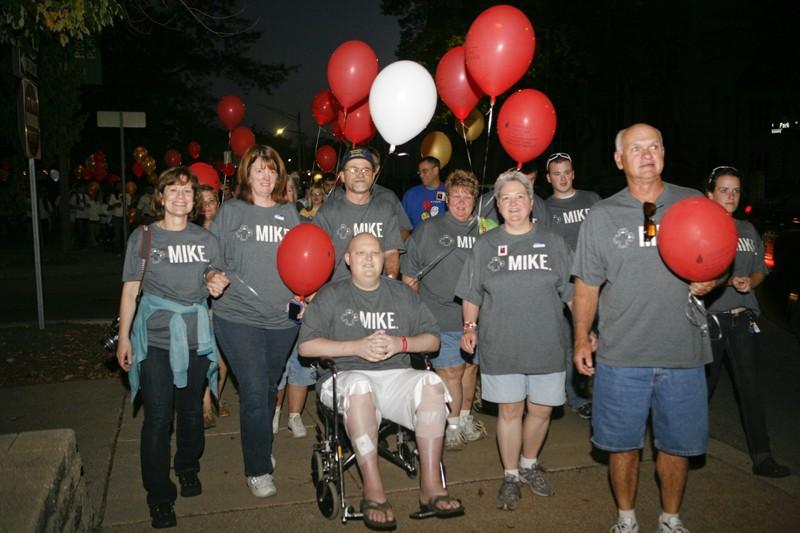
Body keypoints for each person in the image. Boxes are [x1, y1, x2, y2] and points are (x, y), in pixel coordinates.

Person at [572, 123, 720, 533]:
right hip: (622, 354)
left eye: (654, 145)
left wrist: (713, 279)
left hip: (683, 351)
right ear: (620, 160)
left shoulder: (693, 204)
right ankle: (626, 518)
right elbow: (586, 283)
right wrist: (581, 336)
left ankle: (671, 518)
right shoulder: (602, 216)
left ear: (664, 154)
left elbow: (719, 257)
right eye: (636, 148)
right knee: (622, 447)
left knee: (677, 447)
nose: (647, 153)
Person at [299, 233, 464, 530]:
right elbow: (306, 347)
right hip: (345, 376)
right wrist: (356, 347)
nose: (368, 259)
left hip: (394, 374)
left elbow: (433, 340)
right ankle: (373, 489)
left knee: (431, 384)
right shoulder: (331, 295)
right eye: (360, 253)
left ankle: (431, 486)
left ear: (383, 258)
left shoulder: (402, 294)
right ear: (348, 259)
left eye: (374, 253)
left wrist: (400, 343)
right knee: (360, 385)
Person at [115, 167, 229, 529]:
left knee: (192, 411)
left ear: (195, 201)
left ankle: (188, 466)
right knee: (158, 418)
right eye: (173, 190)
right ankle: (159, 495)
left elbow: (215, 274)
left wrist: (214, 279)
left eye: (188, 191)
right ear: (160, 197)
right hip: (156, 340)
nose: (181, 197)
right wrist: (124, 337)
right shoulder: (144, 237)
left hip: (195, 338)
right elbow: (131, 290)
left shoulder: (206, 239)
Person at [456, 170, 574, 512]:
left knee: (540, 409)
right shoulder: (486, 245)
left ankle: (529, 463)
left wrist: (585, 331)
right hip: (501, 344)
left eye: (519, 197)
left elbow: (572, 295)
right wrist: (469, 326)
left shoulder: (553, 243)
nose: (513, 204)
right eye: (505, 198)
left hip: (547, 344)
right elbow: (471, 292)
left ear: (531, 202)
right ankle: (510, 475)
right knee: (510, 410)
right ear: (498, 206)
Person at [209, 145, 302, 498]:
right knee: (252, 391)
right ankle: (258, 469)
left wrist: (302, 296)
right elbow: (209, 257)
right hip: (237, 315)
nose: (265, 176)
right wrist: (209, 276)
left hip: (282, 319)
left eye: (271, 170)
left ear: (279, 176)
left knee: (267, 388)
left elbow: (302, 263)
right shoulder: (231, 212)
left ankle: (260, 445)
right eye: (258, 170)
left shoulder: (289, 212)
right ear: (247, 174)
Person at [704, 166, 790, 478]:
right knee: (702, 390)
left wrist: (748, 283)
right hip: (710, 321)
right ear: (710, 193)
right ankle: (685, 450)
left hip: (742, 320)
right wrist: (721, 281)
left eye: (736, 191)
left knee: (750, 390)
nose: (730, 196)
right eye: (724, 189)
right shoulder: (699, 228)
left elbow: (759, 270)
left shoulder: (747, 229)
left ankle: (762, 458)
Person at [401, 169, 486, 450]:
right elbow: (410, 273)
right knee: (451, 370)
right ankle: (450, 425)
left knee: (470, 369)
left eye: (468, 197)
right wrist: (415, 313)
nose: (462, 202)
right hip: (441, 313)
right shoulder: (429, 229)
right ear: (446, 199)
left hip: (478, 315)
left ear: (475, 201)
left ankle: (463, 418)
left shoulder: (484, 229)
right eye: (456, 196)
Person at [544, 152, 602, 420]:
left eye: (567, 172)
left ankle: (606, 396)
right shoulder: (544, 209)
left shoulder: (591, 200)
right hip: (565, 289)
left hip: (599, 283)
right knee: (571, 344)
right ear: (548, 178)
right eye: (557, 173)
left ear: (573, 173)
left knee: (606, 342)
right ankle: (577, 398)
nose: (563, 177)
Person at [313, 148, 404, 282]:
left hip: (376, 293)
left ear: (373, 176)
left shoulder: (386, 210)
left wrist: (390, 280)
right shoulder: (327, 212)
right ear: (342, 176)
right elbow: (315, 256)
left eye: (366, 170)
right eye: (353, 169)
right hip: (338, 293)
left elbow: (391, 253)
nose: (360, 174)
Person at [194, 185, 230, 429]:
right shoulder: (192, 235)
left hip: (225, 303)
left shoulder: (227, 234)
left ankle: (214, 398)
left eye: (212, 201)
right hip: (200, 304)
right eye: (203, 202)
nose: (208, 206)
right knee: (206, 358)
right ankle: (205, 406)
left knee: (223, 360)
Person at [474, 167, 552, 229]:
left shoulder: (541, 206)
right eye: (521, 180)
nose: (526, 185)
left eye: (531, 180)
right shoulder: (485, 202)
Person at [402, 156, 448, 229]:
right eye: (419, 172)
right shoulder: (411, 195)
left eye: (424, 171)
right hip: (418, 239)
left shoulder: (450, 192)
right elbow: (402, 226)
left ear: (436, 170)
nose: (421, 175)